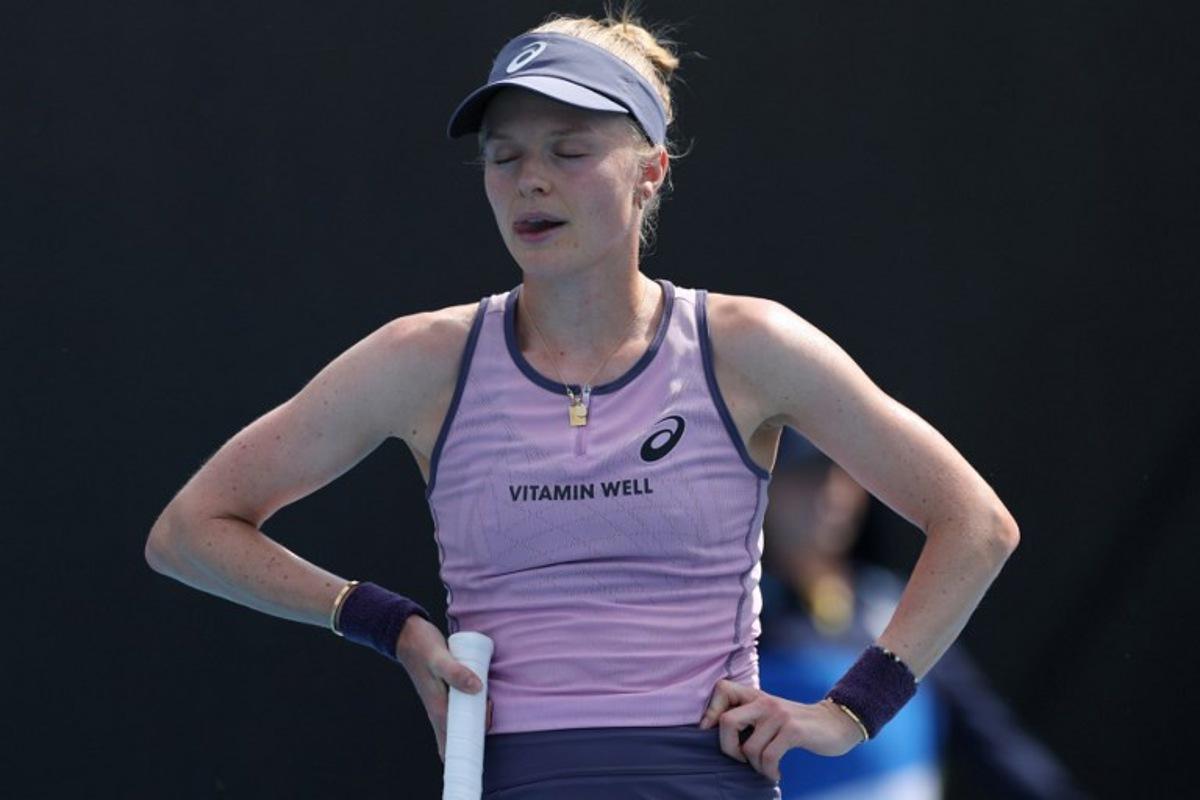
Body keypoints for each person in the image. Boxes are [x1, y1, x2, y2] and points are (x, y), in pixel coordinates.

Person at [144, 7, 1020, 799]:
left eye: (568, 151)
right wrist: (390, 624)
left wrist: (849, 711)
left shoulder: (748, 346)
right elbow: (189, 532)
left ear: (650, 172)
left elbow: (976, 524)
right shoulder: (424, 360)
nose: (531, 180)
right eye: (504, 156)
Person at [758, 429, 1087, 799]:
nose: (832, 495)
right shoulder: (739, 620)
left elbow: (990, 740)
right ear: (766, 490)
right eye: (808, 478)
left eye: (846, 477)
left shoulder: (892, 605)